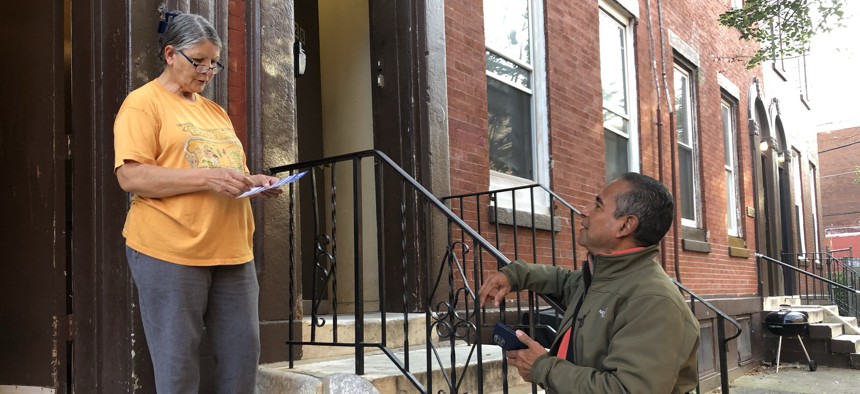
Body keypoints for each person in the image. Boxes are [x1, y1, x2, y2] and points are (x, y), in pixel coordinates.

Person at [113, 12, 281, 393]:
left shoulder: (214, 111)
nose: (207, 70)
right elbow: (132, 176)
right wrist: (208, 178)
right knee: (178, 367)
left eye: (214, 63)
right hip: (170, 251)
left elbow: (221, 168)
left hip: (233, 252)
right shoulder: (143, 105)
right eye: (198, 60)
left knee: (242, 362)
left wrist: (253, 181)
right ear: (170, 54)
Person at [478, 172, 699, 393]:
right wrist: (515, 275)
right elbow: (563, 281)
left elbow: (626, 390)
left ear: (625, 226)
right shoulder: (604, 277)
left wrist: (543, 367)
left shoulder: (654, 301)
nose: (583, 211)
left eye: (598, 206)